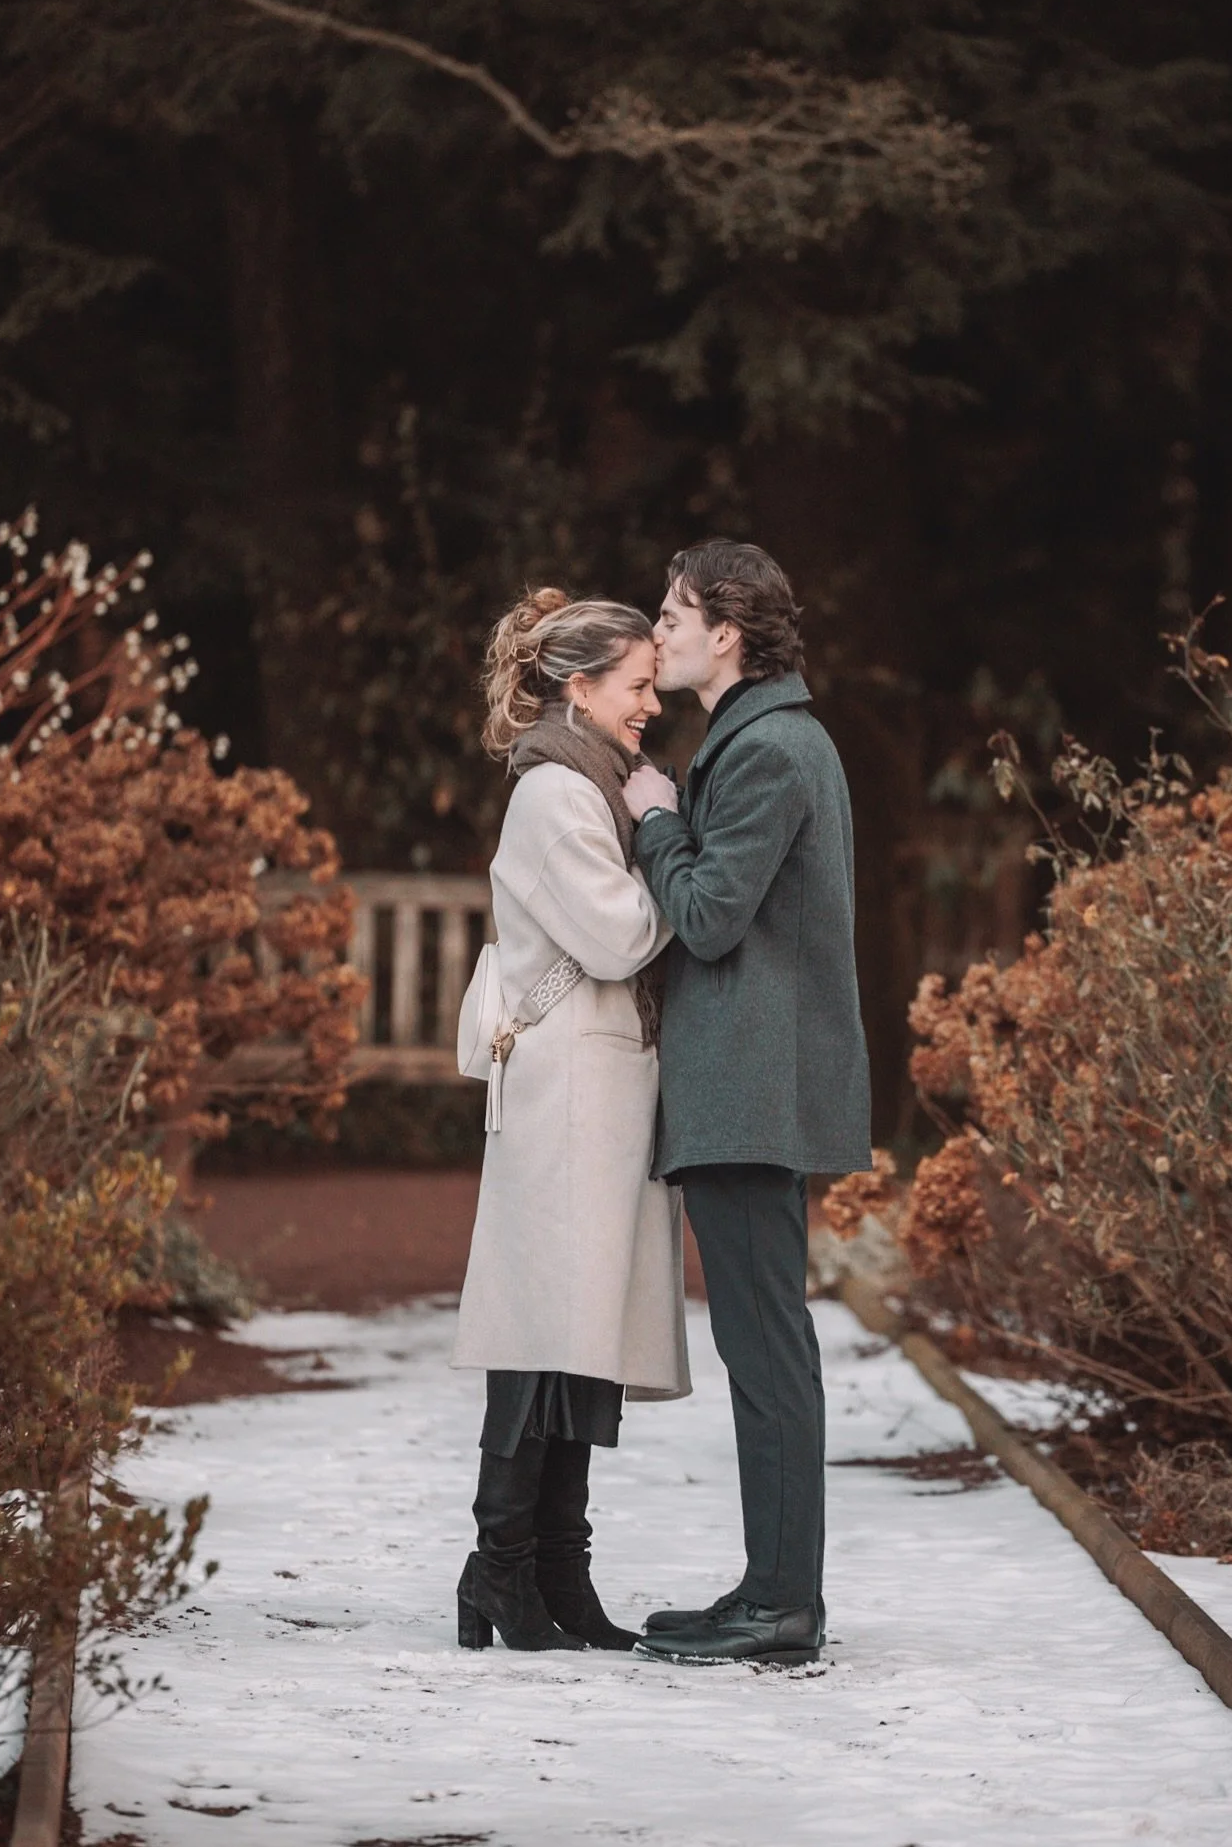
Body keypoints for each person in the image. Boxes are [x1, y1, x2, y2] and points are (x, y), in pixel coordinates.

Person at [623, 539, 872, 1667]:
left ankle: (780, 1605)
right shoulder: (763, 736)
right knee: (766, 1344)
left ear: (727, 633)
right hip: (748, 1087)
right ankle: (773, 1589)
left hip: (750, 1089)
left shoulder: (769, 747)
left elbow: (711, 915)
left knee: (766, 1348)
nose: (658, 631)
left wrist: (654, 815)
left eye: (673, 615)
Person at [451, 587, 691, 1654]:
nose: (651, 704)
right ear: (580, 687)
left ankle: (554, 1569)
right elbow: (622, 934)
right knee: (541, 1327)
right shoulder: (556, 792)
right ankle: (500, 1566)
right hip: (566, 1092)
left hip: (596, 1087)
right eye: (636, 685)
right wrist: (667, 835)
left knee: (579, 1329)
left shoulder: (590, 781)